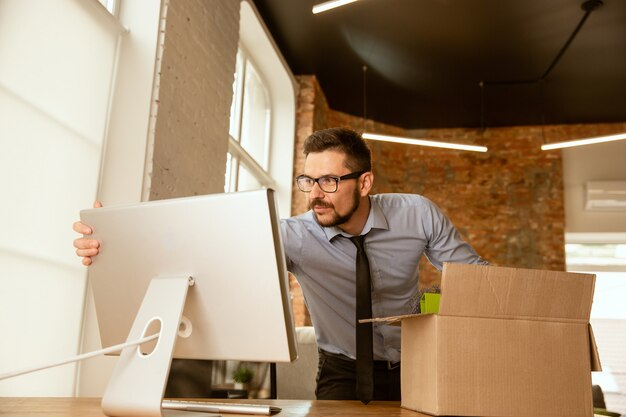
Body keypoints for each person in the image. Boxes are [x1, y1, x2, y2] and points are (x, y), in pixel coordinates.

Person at [74, 127, 486, 402]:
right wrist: (115, 245)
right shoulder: (293, 236)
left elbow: (476, 280)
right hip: (342, 372)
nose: (315, 194)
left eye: (329, 181)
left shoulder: (416, 214)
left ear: (364, 183)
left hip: (418, 365)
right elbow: (204, 255)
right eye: (308, 181)